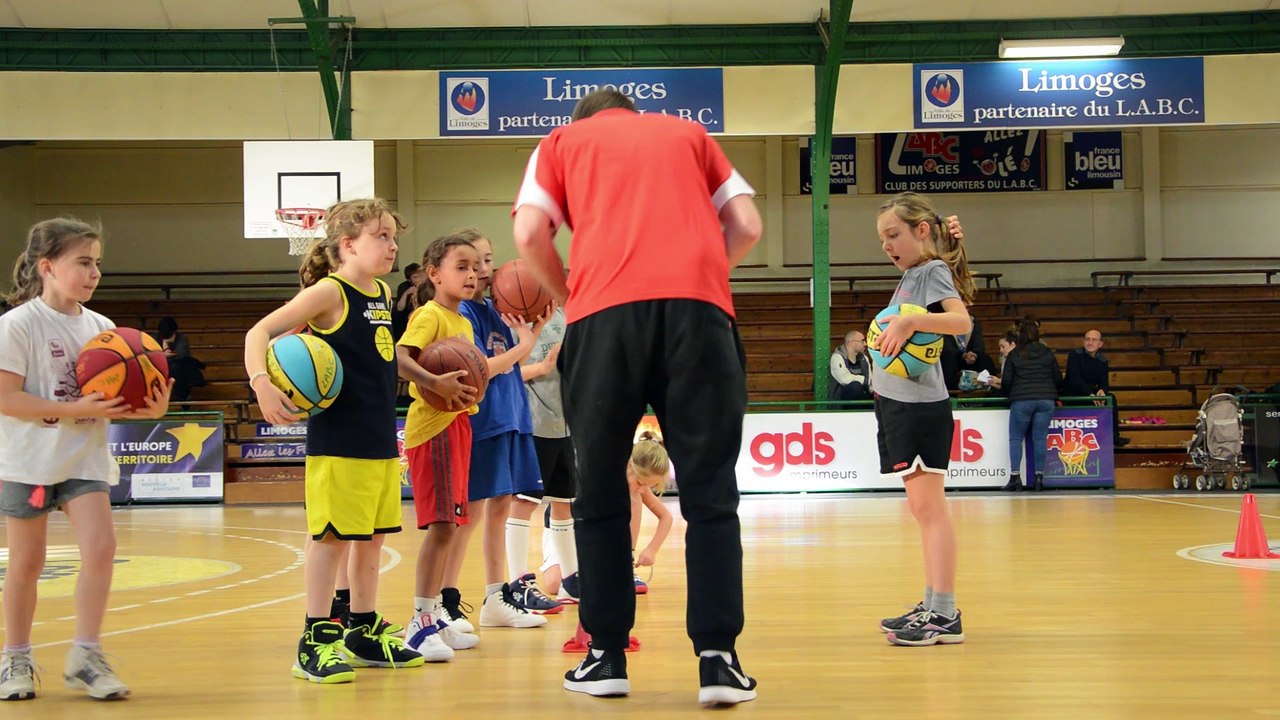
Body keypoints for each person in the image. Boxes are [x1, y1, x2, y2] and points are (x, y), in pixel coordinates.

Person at [512, 87, 761, 705]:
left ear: (583, 120)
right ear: (632, 111)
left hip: (604, 319)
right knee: (710, 494)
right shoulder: (688, 133)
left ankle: (605, 656)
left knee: (596, 491)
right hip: (699, 315)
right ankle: (719, 661)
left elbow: (527, 234)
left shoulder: (561, 142)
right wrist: (700, 277)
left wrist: (572, 295)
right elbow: (748, 225)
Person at [244, 198, 462, 683]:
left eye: (392, 236)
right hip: (338, 441)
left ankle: (362, 630)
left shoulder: (382, 292)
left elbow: (384, 360)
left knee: (372, 540)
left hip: (380, 438)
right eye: (381, 236)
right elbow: (260, 332)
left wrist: (431, 380)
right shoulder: (329, 292)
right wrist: (261, 382)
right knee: (330, 541)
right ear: (348, 245)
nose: (391, 245)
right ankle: (314, 638)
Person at [0, 218, 171, 701]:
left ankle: (85, 655)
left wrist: (149, 409)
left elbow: (118, 404)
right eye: (83, 262)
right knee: (27, 564)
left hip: (84, 462)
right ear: (47, 266)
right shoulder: (18, 325)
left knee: (100, 549)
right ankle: (15, 656)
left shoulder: (105, 330)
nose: (94, 272)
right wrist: (72, 409)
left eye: (97, 263)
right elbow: (6, 398)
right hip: (28, 463)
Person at [869, 193, 973, 648]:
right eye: (882, 239)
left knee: (931, 511)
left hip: (918, 407)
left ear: (922, 230)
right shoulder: (915, 273)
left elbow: (961, 321)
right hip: (897, 403)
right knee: (922, 510)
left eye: (894, 235)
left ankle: (945, 614)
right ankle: (933, 603)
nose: (887, 246)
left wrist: (910, 325)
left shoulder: (930, 271)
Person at [440, 229, 553, 631]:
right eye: (473, 264)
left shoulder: (499, 308)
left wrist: (535, 329)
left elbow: (514, 363)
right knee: (467, 514)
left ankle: (495, 596)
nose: (484, 270)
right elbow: (482, 367)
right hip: (480, 419)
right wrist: (526, 344)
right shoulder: (462, 313)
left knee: (502, 508)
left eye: (487, 261)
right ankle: (445, 600)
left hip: (513, 415)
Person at [395, 233, 487, 662]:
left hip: (458, 426)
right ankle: (419, 622)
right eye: (461, 266)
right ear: (434, 274)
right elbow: (399, 359)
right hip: (432, 429)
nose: (472, 274)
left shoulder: (464, 322)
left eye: (475, 267)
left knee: (453, 525)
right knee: (442, 527)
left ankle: (433, 615)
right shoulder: (429, 315)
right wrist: (432, 382)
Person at [519, 302, 581, 604]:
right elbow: (505, 372)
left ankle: (572, 580)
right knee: (522, 505)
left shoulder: (565, 314)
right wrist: (543, 368)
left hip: (565, 423)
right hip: (533, 424)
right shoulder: (516, 317)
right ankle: (517, 583)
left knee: (563, 503)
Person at [1001, 317, 1062, 492]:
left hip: (1022, 400)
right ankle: (1039, 478)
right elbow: (1058, 378)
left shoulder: (1015, 354)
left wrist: (1010, 393)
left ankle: (1015, 478)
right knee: (1040, 438)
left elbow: (1006, 381)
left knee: (1016, 438)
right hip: (1045, 400)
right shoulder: (1047, 352)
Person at [1063, 329, 1129, 447]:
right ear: (1083, 342)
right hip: (1073, 393)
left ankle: (1114, 437)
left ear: (1100, 344)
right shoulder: (1074, 355)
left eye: (1094, 340)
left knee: (1110, 398)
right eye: (1087, 339)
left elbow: (1104, 383)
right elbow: (1075, 379)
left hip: (1091, 395)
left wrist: (1102, 391)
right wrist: (1090, 394)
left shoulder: (1102, 361)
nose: (1090, 342)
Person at [628, 433, 674, 588]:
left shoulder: (638, 490)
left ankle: (628, 559)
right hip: (568, 524)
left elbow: (666, 517)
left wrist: (651, 549)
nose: (642, 489)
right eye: (640, 482)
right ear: (630, 466)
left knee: (635, 497)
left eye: (648, 486)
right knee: (554, 584)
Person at [156, 316, 205, 403]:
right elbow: (150, 356)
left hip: (181, 367)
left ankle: (182, 398)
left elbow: (180, 356)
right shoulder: (155, 339)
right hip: (161, 368)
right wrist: (164, 351)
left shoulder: (182, 339)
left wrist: (164, 352)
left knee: (175, 368)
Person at [828, 330, 872, 404]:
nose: (865, 344)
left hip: (864, 396)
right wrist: (865, 380)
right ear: (851, 343)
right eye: (862, 341)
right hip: (843, 402)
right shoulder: (837, 357)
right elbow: (844, 379)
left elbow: (870, 382)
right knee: (855, 386)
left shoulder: (864, 358)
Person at [392, 262, 425, 341]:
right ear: (409, 279)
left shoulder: (427, 286)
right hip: (406, 317)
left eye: (420, 276)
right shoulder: (404, 286)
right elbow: (399, 308)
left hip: (422, 313)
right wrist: (406, 293)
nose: (418, 279)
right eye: (415, 277)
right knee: (396, 315)